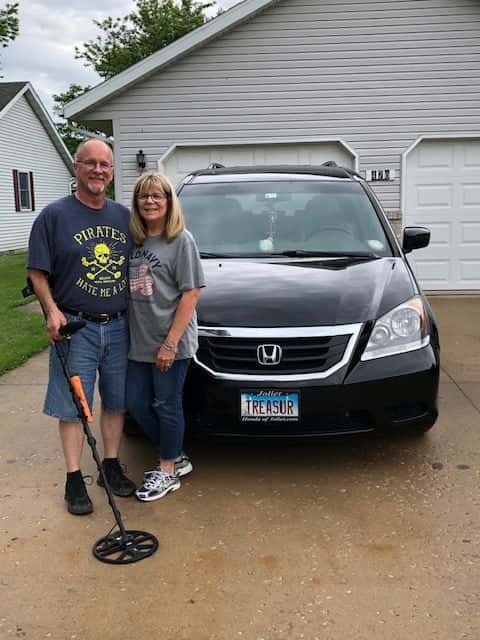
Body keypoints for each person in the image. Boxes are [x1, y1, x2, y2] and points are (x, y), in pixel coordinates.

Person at [27, 139, 136, 516]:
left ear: (111, 171)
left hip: (120, 326)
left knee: (116, 401)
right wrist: (51, 311)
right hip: (76, 327)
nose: (98, 170)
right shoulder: (54, 216)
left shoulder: (123, 216)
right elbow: (37, 271)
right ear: (76, 168)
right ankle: (74, 478)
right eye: (89, 163)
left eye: (104, 164)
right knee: (74, 406)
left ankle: (109, 465)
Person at [127, 171, 205, 502]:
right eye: (144, 196)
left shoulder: (180, 240)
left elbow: (191, 294)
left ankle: (167, 471)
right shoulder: (135, 241)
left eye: (158, 195)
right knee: (135, 403)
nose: (150, 201)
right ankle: (176, 455)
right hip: (139, 342)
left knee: (166, 404)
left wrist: (170, 344)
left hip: (170, 343)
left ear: (169, 202)